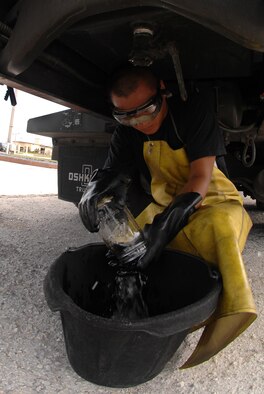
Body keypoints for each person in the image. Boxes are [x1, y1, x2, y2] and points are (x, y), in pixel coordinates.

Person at [79, 65, 257, 368]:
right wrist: (93, 189)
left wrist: (163, 230)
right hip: (165, 203)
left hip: (211, 201)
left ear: (163, 90)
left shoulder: (192, 111)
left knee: (218, 228)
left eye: (146, 111)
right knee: (130, 241)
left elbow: (200, 177)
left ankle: (218, 311)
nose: (139, 122)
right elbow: (114, 172)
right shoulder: (128, 130)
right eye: (126, 116)